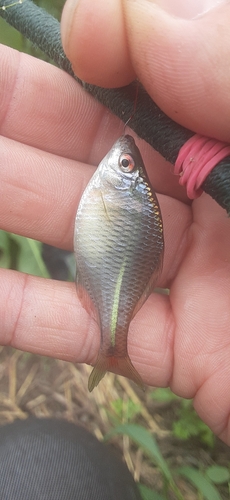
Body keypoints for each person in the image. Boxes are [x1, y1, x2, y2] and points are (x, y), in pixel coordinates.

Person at [0, 0, 229, 467]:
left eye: (126, 165)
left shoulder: (122, 194)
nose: (123, 158)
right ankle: (113, 348)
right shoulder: (123, 194)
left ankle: (113, 348)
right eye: (129, 163)